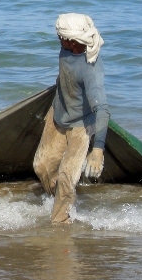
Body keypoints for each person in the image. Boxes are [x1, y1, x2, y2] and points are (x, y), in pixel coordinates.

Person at [32, 13, 110, 224]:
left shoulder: (90, 70)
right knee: (42, 166)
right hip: (59, 113)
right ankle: (56, 200)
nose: (58, 39)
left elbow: (102, 109)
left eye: (61, 37)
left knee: (67, 177)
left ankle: (60, 222)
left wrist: (98, 150)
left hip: (81, 125)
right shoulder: (66, 49)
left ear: (73, 40)